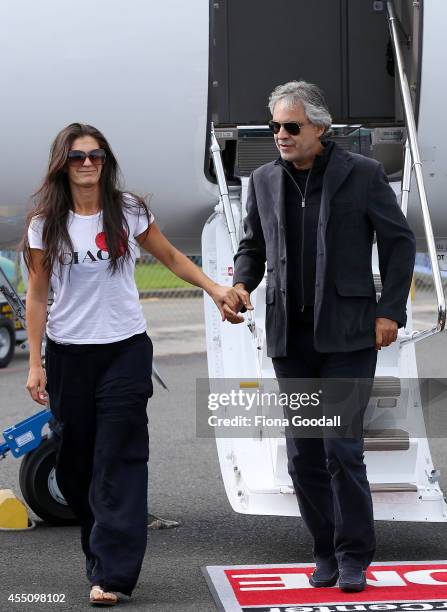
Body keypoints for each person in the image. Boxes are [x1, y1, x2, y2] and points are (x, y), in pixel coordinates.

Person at [23, 123, 241, 606]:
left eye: (96, 156)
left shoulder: (128, 211)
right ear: (63, 163)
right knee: (77, 465)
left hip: (124, 349)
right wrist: (35, 361)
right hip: (68, 354)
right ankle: (99, 553)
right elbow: (37, 294)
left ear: (106, 161)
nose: (87, 164)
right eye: (78, 157)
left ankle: (112, 575)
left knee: (119, 459)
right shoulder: (45, 222)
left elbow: (169, 257)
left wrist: (216, 288)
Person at [226, 81, 416, 593]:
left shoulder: (364, 175)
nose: (281, 135)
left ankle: (355, 555)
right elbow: (253, 245)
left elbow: (400, 244)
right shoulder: (263, 180)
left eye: (291, 126)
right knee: (304, 454)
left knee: (342, 449)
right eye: (275, 127)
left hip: (349, 337)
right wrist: (243, 283)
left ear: (320, 129)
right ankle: (325, 549)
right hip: (292, 338)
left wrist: (388, 311)